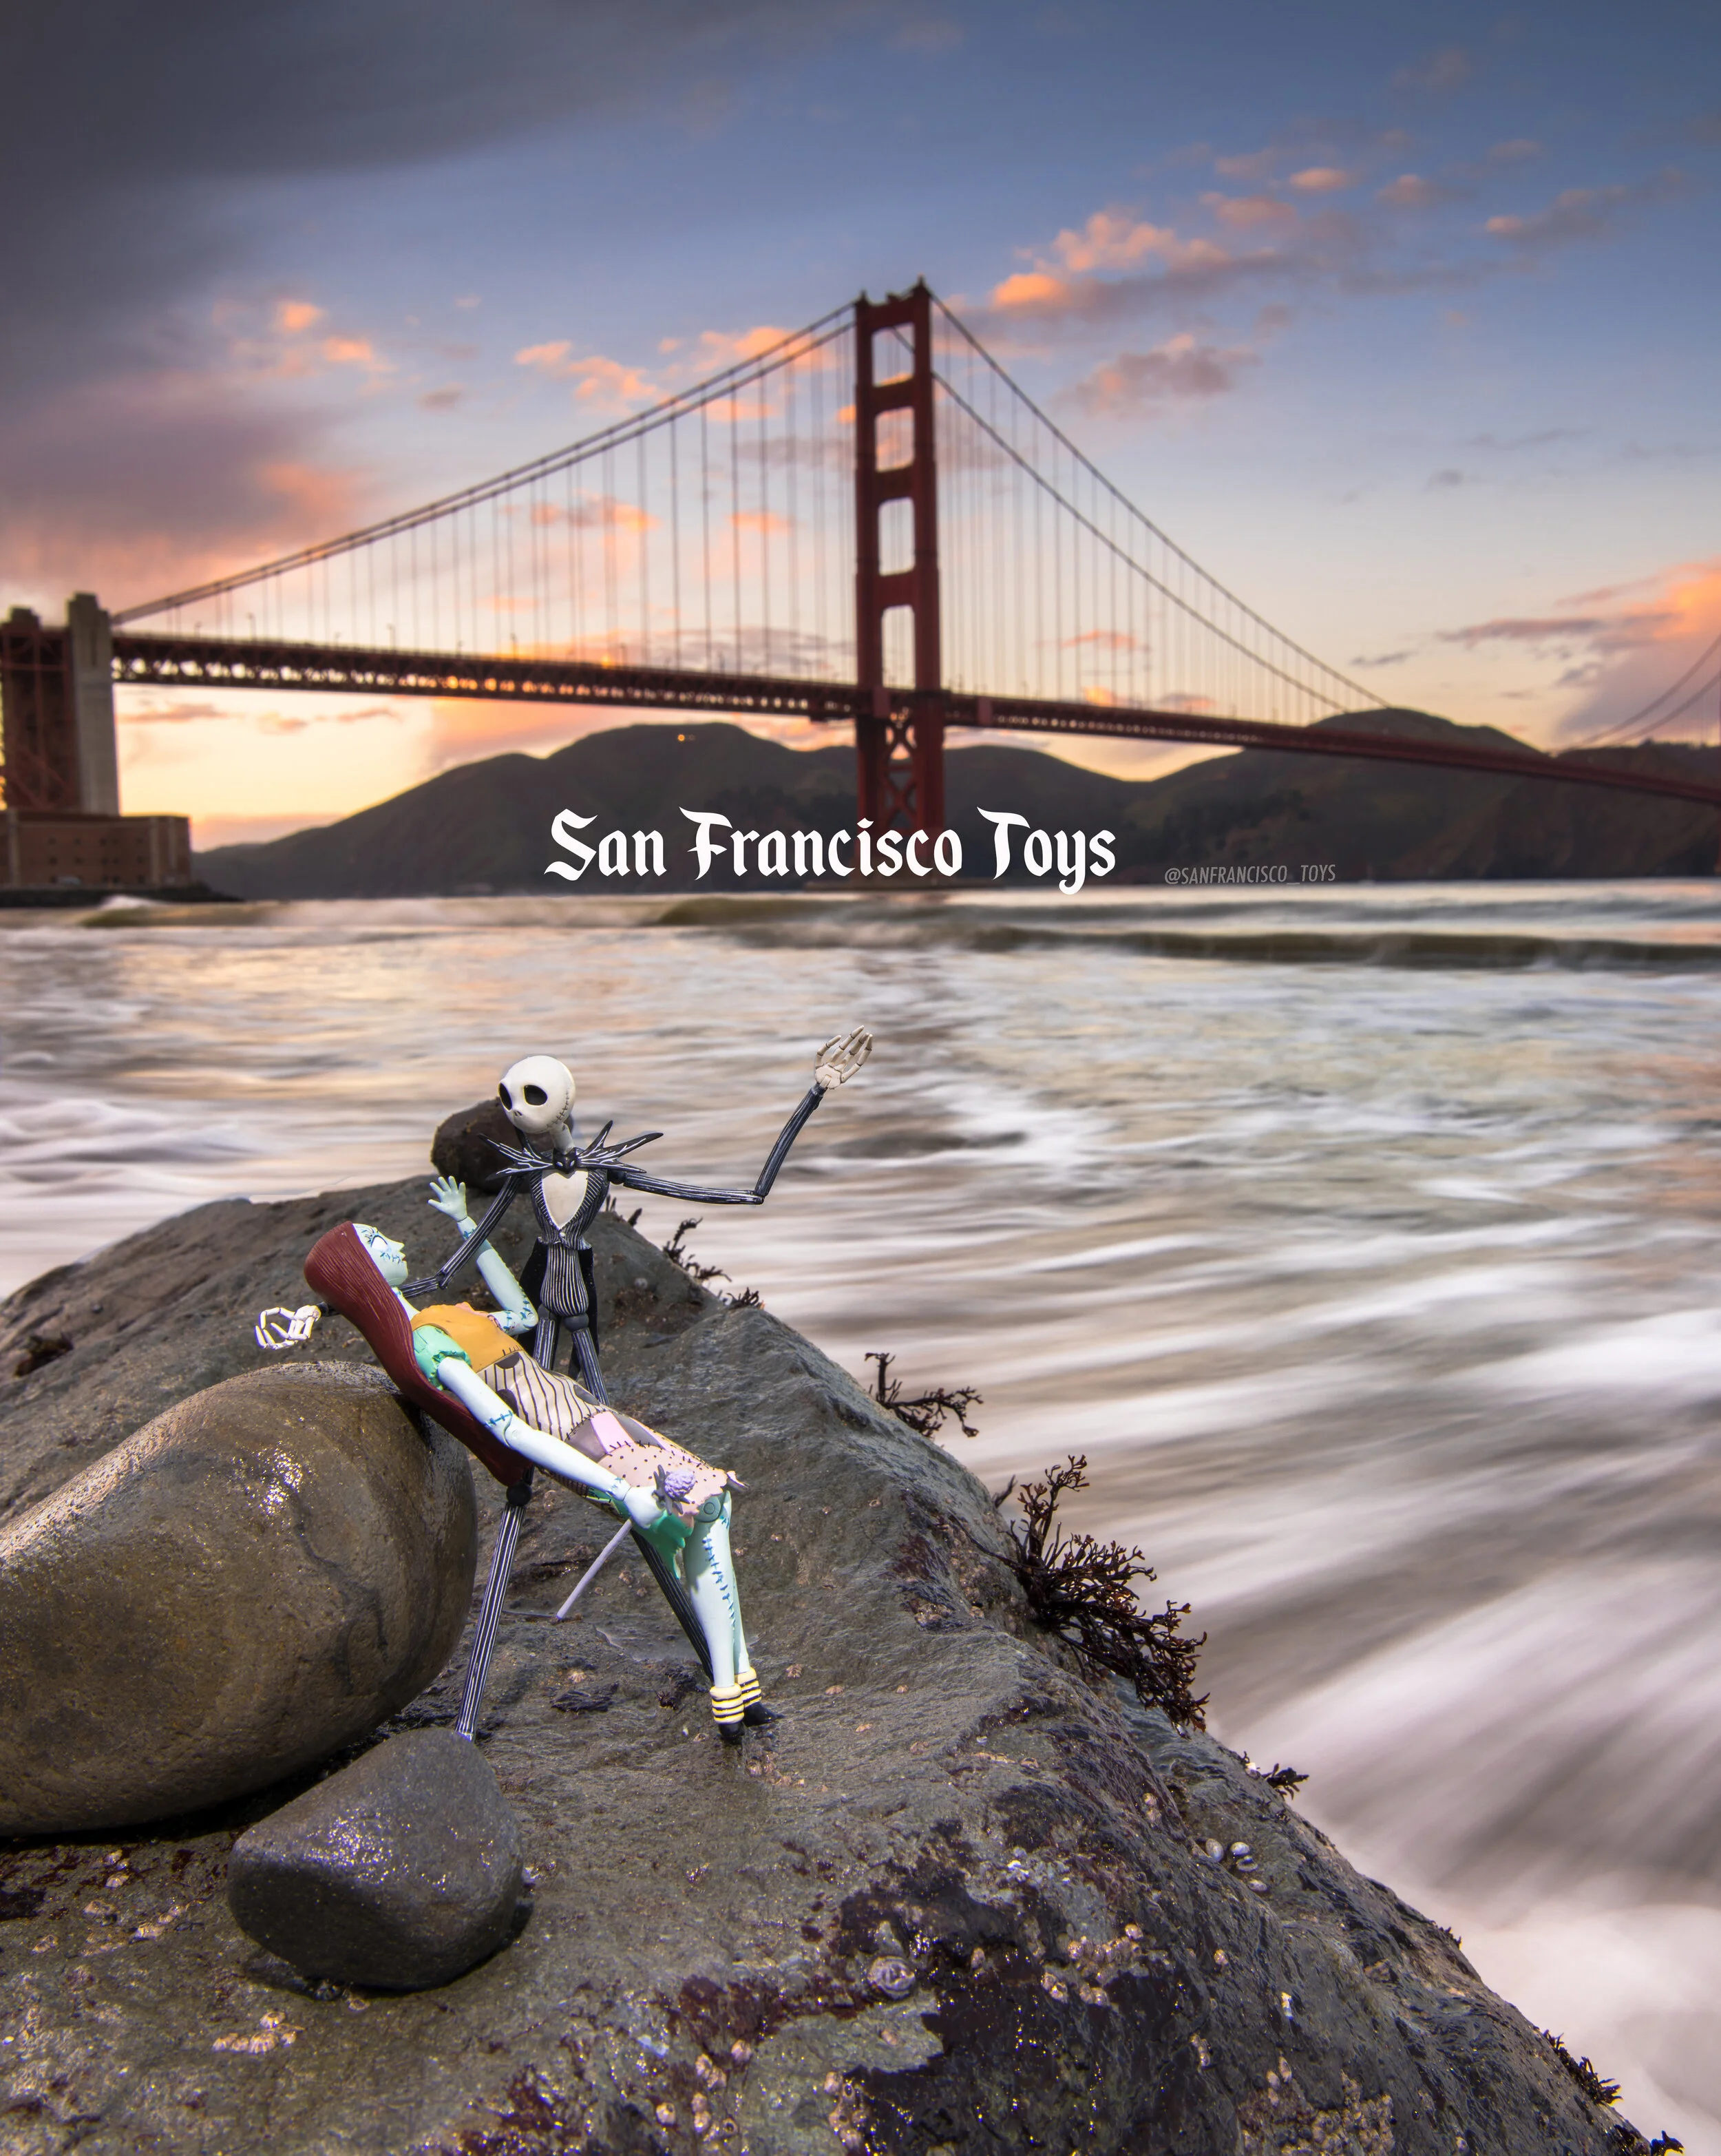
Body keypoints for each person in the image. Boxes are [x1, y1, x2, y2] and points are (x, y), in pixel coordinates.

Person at [301, 1218, 766, 1740]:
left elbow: (523, 1312)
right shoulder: (427, 1342)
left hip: (590, 1410)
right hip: (572, 1437)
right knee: (702, 1509)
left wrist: (465, 1223)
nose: (401, 1240)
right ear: (365, 1267)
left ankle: (740, 1681)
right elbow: (510, 1429)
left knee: (716, 1504)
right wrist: (620, 1489)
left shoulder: (441, 1315)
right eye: (382, 1241)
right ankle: (730, 1690)